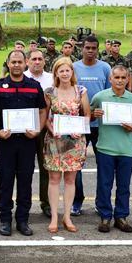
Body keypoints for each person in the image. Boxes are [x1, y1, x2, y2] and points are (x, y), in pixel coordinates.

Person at [0, 50, 48, 236]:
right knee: (5, 181)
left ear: (26, 62)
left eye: (20, 62)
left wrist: (37, 130)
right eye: (13, 62)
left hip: (28, 142)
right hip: (7, 142)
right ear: (8, 63)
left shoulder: (34, 86)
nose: (16, 65)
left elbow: (43, 110)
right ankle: (5, 219)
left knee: (25, 181)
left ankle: (22, 220)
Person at [90, 65, 132, 233]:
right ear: (110, 79)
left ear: (127, 79)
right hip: (105, 148)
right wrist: (93, 114)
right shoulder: (100, 97)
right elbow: (88, 114)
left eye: (123, 77)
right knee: (104, 184)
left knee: (124, 185)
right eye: (116, 77)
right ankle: (105, 215)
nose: (119, 81)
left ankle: (121, 216)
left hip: (125, 149)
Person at [43, 57, 90, 233]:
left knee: (70, 179)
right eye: (60, 70)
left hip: (75, 141)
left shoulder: (81, 91)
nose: (64, 73)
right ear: (56, 73)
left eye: (67, 70)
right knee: (54, 179)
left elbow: (86, 114)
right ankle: (54, 217)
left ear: (72, 72)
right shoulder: (49, 92)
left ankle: (67, 216)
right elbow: (45, 116)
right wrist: (51, 128)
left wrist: (81, 129)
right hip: (55, 140)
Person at [71, 36, 111, 216]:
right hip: (79, 124)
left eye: (94, 48)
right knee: (76, 165)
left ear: (98, 49)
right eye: (87, 47)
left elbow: (111, 94)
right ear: (82, 48)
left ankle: (101, 202)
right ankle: (77, 201)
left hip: (100, 125)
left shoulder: (105, 68)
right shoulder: (74, 68)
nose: (90, 51)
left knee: (104, 165)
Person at [24, 49, 54, 218]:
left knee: (46, 167)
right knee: (25, 167)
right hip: (26, 128)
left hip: (45, 128)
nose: (37, 62)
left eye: (40, 59)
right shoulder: (22, 77)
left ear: (44, 61)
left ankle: (46, 202)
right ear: (27, 61)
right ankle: (25, 202)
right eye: (33, 59)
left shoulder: (51, 78)